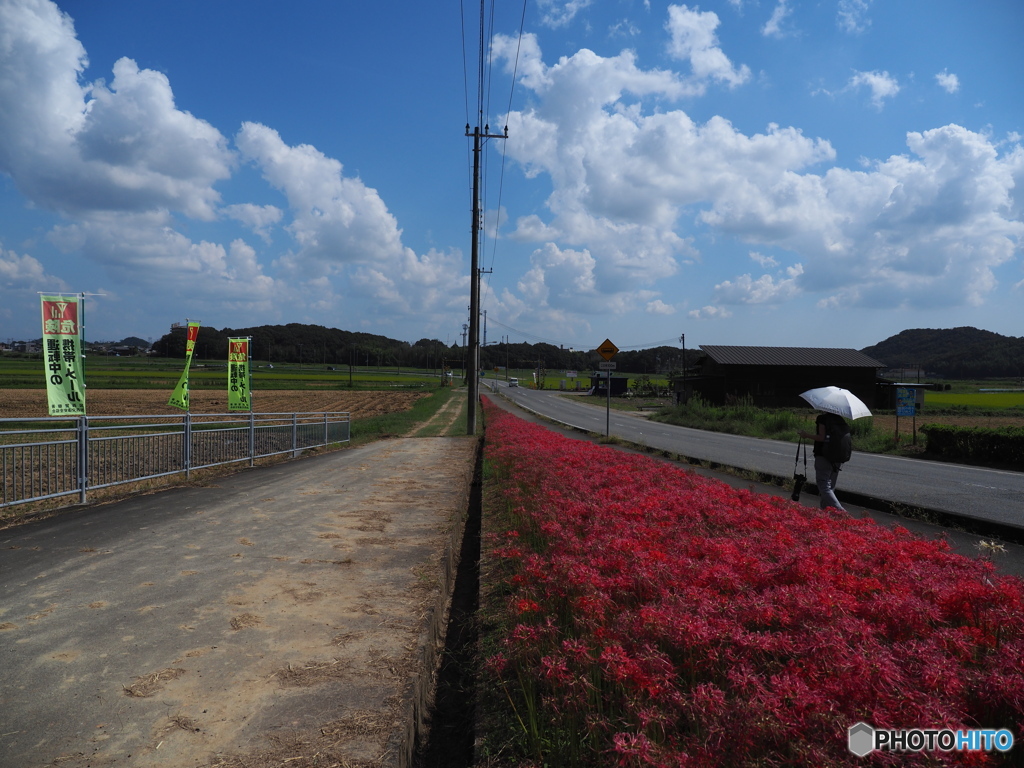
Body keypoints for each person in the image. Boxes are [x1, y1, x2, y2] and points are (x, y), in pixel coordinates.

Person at [798, 412, 848, 511]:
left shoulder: (823, 418)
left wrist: (806, 435)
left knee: (823, 484)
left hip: (824, 455)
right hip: (838, 456)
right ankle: (825, 510)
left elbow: (822, 437)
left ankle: (840, 511)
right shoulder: (840, 419)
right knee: (830, 486)